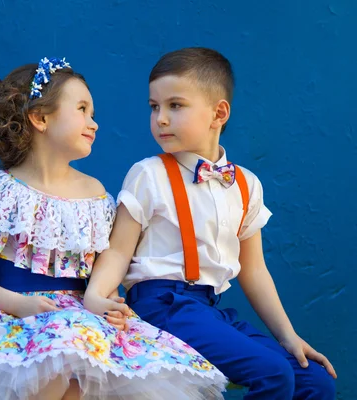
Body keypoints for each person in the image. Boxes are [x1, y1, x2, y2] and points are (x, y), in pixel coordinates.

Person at [0, 57, 227, 400]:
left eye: (93, 114)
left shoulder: (98, 198)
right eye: (83, 110)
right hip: (10, 318)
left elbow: (103, 275)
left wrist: (106, 304)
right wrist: (19, 305)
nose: (94, 123)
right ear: (41, 118)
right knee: (57, 361)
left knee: (77, 369)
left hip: (80, 320)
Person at [84, 47, 337, 399]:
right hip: (163, 305)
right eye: (154, 107)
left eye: (175, 105)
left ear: (218, 113)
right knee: (273, 373)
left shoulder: (247, 184)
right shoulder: (148, 174)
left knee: (316, 380)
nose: (160, 118)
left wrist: (288, 336)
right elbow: (117, 251)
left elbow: (254, 270)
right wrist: (95, 295)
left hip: (210, 310)